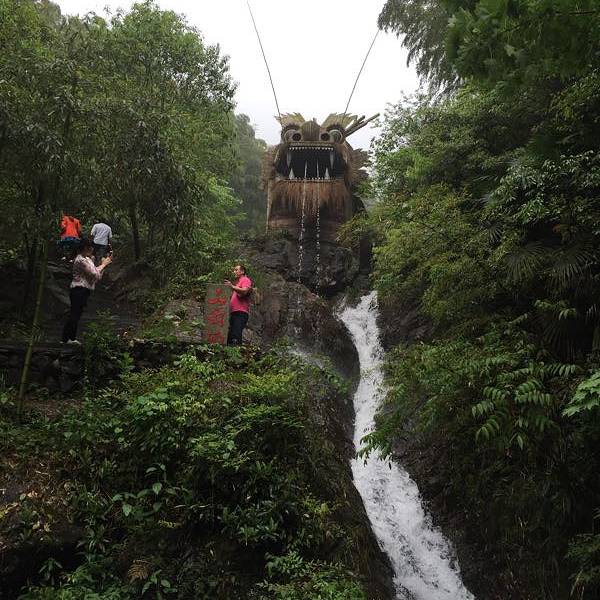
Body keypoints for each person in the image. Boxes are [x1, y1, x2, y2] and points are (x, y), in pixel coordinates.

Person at [62, 239, 112, 345]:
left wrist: (104, 265)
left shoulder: (87, 259)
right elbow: (94, 273)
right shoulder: (80, 260)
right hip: (78, 289)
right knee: (75, 313)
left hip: (84, 290)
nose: (93, 249)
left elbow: (97, 276)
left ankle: (69, 338)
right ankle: (67, 338)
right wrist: (104, 264)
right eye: (91, 247)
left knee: (77, 313)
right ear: (86, 248)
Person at [224, 264, 252, 345]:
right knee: (231, 336)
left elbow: (245, 290)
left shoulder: (245, 280)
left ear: (242, 271)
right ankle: (232, 351)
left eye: (236, 270)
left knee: (235, 335)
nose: (234, 272)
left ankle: (237, 351)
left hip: (240, 312)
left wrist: (231, 286)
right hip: (235, 313)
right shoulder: (238, 283)